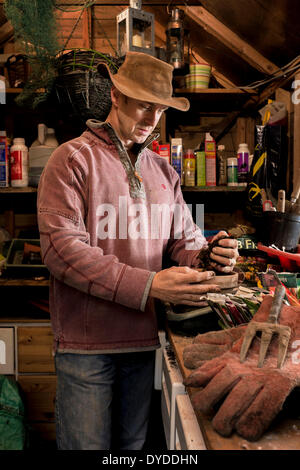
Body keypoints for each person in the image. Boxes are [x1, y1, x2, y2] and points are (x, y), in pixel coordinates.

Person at [37, 51, 239, 450]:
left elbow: (184, 240)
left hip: (145, 342)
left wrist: (208, 255)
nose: (151, 119)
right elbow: (62, 250)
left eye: (160, 109)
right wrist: (149, 286)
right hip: (86, 346)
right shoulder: (72, 160)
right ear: (116, 95)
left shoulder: (163, 171)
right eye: (144, 105)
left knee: (133, 450)